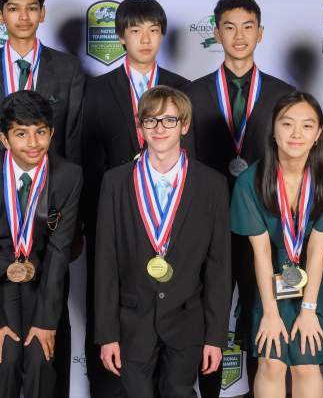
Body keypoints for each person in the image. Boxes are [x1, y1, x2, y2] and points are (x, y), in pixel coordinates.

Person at [0, 0, 84, 390]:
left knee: (45, 351)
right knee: (7, 356)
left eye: (31, 7)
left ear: (43, 13)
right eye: (13, 8)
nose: (23, 16)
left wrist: (73, 220)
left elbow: (74, 142)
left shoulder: (67, 68)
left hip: (50, 220)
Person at [181, 0, 295, 397]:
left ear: (260, 33)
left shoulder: (284, 95)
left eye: (248, 27)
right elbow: (185, 167)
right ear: (216, 33)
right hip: (207, 226)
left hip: (262, 227)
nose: (239, 35)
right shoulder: (192, 95)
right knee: (208, 316)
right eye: (229, 27)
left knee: (260, 312)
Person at [80, 0, 188, 397]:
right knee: (108, 300)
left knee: (169, 298)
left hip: (169, 219)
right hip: (115, 218)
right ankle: (108, 387)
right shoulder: (96, 89)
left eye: (154, 29)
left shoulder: (182, 88)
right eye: (135, 29)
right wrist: (88, 223)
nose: (145, 38)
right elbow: (86, 160)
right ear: (121, 35)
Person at [95, 86, 231, 398]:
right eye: (151, 120)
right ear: (138, 125)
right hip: (131, 321)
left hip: (188, 321)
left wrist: (215, 337)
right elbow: (105, 262)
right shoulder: (115, 182)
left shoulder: (213, 184)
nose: (159, 129)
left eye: (169, 120)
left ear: (185, 125)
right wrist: (107, 334)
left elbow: (219, 267)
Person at [231, 91, 323, 398]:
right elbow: (260, 251)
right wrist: (271, 313)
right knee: (271, 362)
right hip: (269, 275)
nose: (296, 133)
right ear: (274, 131)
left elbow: (315, 249)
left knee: (305, 362)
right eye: (287, 124)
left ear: (318, 135)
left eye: (307, 125)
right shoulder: (250, 180)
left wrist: (309, 310)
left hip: (316, 279)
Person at [0, 90, 82, 398]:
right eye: (21, 134)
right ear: (5, 139)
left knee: (41, 359)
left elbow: (59, 252)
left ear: (51, 132)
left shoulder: (69, 176)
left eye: (40, 132)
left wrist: (46, 321)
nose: (33, 143)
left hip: (44, 280)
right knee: (6, 359)